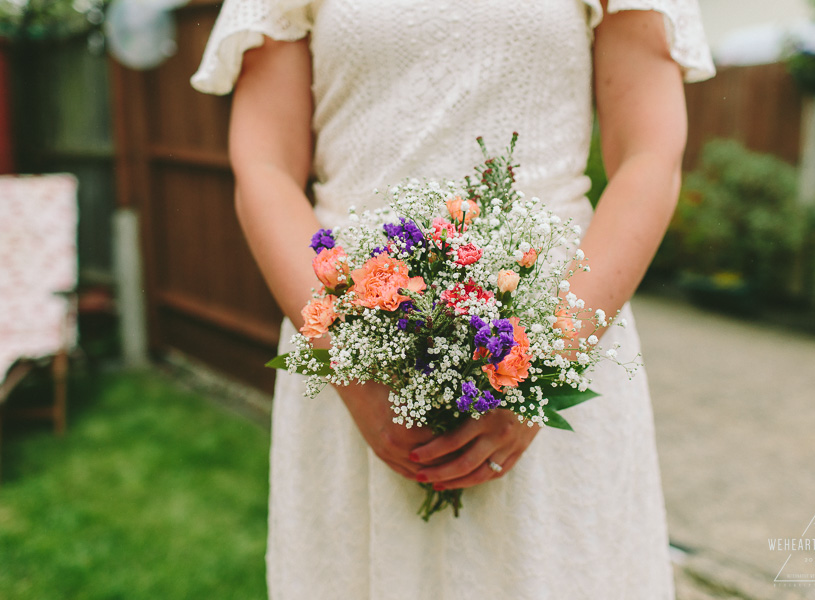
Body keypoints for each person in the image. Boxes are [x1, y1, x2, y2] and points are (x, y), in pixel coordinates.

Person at [192, 1, 714, 597]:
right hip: (350, 344)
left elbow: (649, 155)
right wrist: (353, 364)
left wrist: (539, 369)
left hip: (561, 330)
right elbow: (264, 166)